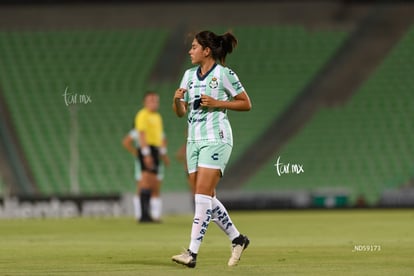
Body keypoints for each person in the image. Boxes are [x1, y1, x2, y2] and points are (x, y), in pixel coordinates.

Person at [171, 30, 252, 268]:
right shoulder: (187, 76)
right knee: (207, 198)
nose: (190, 50)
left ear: (207, 50)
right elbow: (181, 113)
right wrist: (176, 101)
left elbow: (246, 103)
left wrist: (219, 103)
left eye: (194, 47)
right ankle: (238, 239)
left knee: (201, 197)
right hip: (193, 142)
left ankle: (192, 253)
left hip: (216, 139)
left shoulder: (224, 74)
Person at [134, 91, 169, 222]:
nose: (154, 103)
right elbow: (142, 135)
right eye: (151, 100)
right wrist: (146, 154)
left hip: (155, 150)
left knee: (153, 182)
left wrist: (162, 153)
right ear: (145, 102)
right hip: (147, 149)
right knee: (145, 180)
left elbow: (159, 138)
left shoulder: (158, 117)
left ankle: (147, 214)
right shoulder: (142, 115)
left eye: (156, 101)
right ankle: (143, 215)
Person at [122, 126, 167, 222]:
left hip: (155, 160)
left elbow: (163, 143)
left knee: (155, 188)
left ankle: (153, 215)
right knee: (142, 187)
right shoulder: (139, 130)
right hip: (145, 162)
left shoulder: (156, 129)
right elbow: (126, 142)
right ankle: (141, 215)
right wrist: (136, 153)